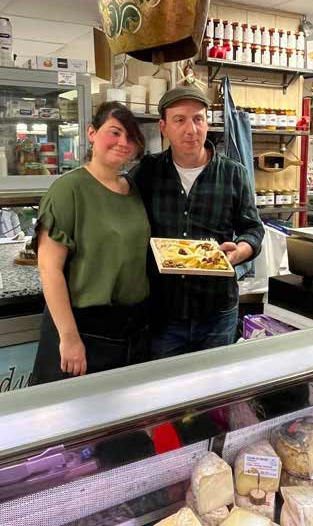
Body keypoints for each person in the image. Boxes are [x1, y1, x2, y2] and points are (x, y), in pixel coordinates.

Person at [131, 84, 264, 358]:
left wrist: (240, 251)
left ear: (207, 123)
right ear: (163, 127)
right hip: (163, 312)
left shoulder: (233, 173)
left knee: (215, 393)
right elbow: (115, 205)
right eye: (179, 120)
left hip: (217, 311)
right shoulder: (148, 171)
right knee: (165, 393)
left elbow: (253, 228)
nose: (191, 129)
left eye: (198, 119)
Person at [30, 102, 150, 384]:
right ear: (92, 133)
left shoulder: (132, 189)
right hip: (85, 329)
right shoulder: (68, 189)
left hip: (131, 329)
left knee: (123, 422)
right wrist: (69, 339)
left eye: (130, 137)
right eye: (115, 132)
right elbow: (49, 270)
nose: (123, 142)